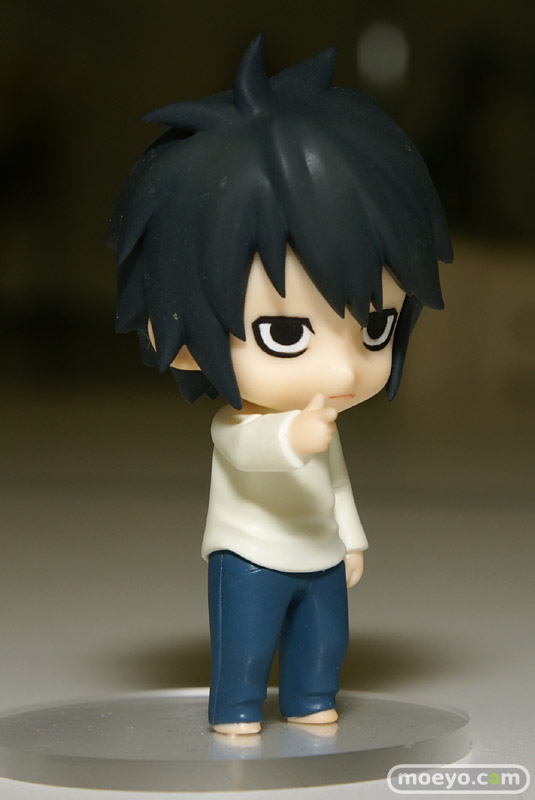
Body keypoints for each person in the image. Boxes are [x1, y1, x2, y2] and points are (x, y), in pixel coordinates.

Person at [108, 34, 452, 735]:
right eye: (286, 334)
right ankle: (236, 705)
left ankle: (311, 697)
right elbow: (255, 452)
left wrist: (351, 537)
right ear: (180, 338)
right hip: (252, 557)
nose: (344, 369)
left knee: (325, 638)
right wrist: (296, 436)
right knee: (246, 643)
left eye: (376, 328)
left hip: (320, 553)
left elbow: (335, 481)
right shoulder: (245, 426)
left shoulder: (320, 423)